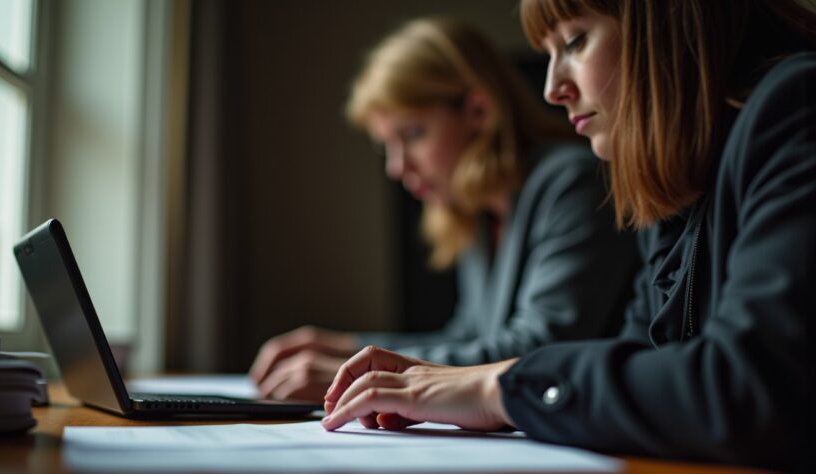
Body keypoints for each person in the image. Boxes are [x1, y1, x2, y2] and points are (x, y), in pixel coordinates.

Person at [320, 0, 816, 470]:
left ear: (665, 26)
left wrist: (499, 388)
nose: (552, 89)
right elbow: (643, 360)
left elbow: (752, 386)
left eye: (575, 42)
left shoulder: (796, 106)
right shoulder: (671, 191)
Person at [249, 17, 640, 402]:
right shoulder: (478, 211)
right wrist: (348, 349)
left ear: (478, 111)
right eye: (387, 146)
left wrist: (362, 372)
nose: (397, 167)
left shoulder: (573, 182)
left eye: (412, 134)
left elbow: (538, 349)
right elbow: (469, 339)